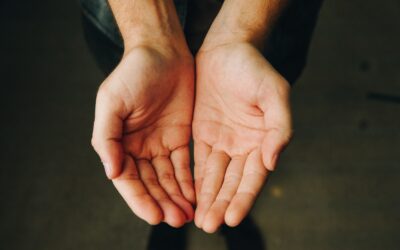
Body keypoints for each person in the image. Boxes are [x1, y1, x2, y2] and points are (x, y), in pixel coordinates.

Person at [80, 0, 323, 244]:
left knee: (245, 147)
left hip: (267, 22)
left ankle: (230, 217)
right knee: (153, 144)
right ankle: (176, 213)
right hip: (128, 22)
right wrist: (149, 37)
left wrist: (242, 31)